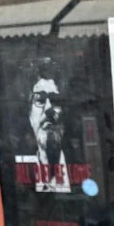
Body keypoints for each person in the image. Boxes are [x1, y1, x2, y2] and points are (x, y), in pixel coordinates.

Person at [17, 58, 70, 192]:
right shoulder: (22, 172)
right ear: (29, 114)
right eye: (40, 100)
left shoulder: (75, 170)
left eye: (55, 101)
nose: (49, 111)